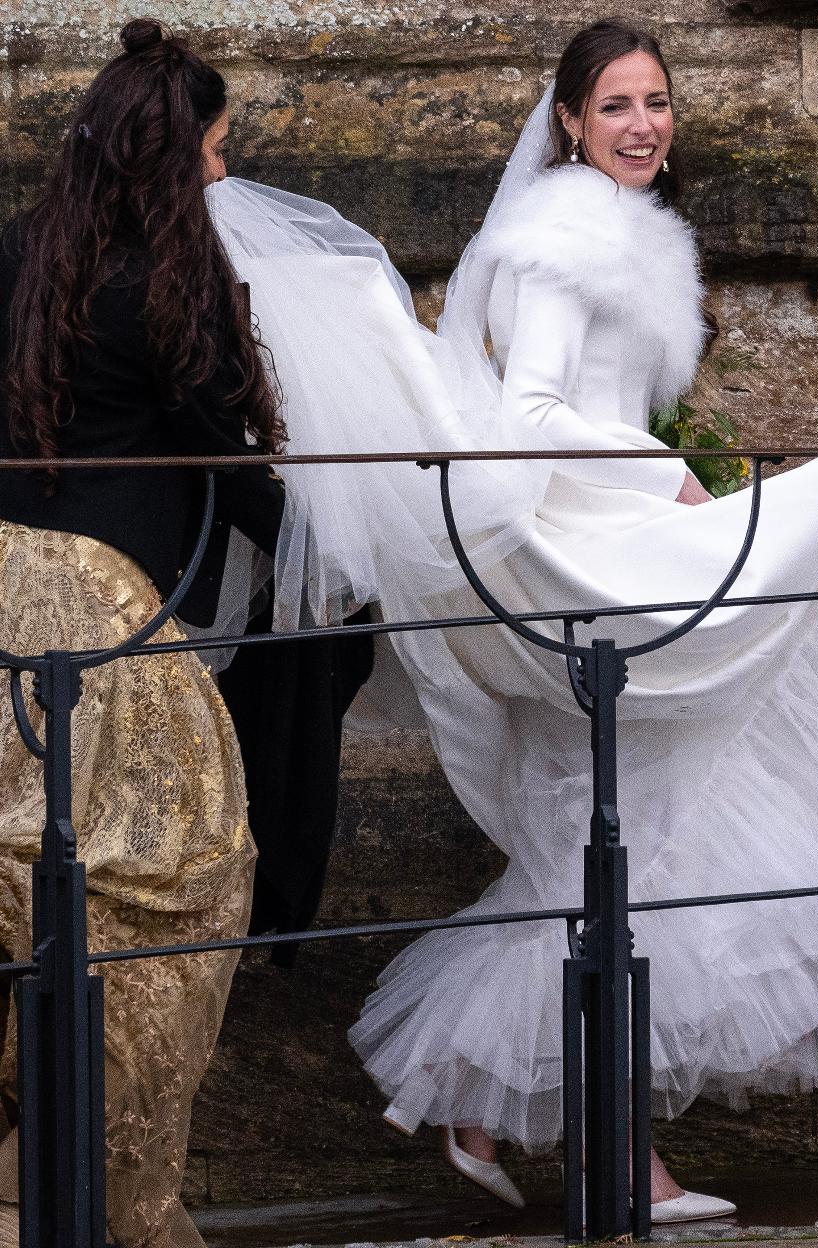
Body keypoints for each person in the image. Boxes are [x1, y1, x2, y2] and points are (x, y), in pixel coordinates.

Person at [207, 19, 818, 1221]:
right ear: (567, 123)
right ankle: (604, 1152)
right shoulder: (564, 243)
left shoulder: (613, 231)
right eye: (615, 107)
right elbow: (535, 415)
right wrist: (673, 478)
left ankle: (485, 1100)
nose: (643, 125)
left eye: (657, 102)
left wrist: (660, 474)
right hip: (588, 563)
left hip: (595, 551)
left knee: (605, 854)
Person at [0, 21, 287, 1248]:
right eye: (217, 153)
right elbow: (244, 466)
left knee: (25, 881)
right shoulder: (172, 286)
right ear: (173, 163)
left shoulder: (17, 253)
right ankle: (97, 1199)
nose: (225, 176)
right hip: (107, 622)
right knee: (171, 890)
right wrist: (344, 547)